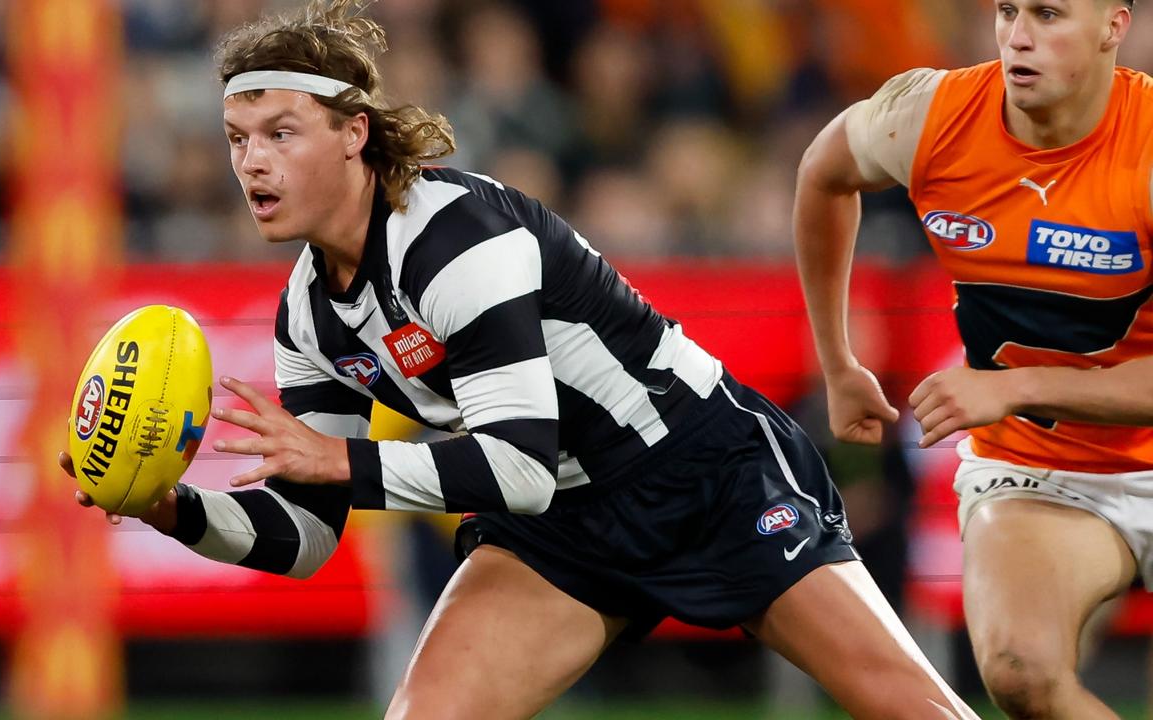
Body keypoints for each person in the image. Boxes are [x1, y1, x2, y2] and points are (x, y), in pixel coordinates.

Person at [61, 2, 976, 718]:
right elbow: (305, 540)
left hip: (703, 473)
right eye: (237, 139)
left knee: (910, 708)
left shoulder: (454, 236)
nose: (251, 164)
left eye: (280, 133)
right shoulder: (309, 314)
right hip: (564, 526)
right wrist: (170, 506)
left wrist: (340, 460)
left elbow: (520, 464)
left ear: (355, 133)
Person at [794, 0, 1153, 717]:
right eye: (1007, 10)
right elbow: (822, 174)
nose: (1018, 37)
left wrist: (1014, 386)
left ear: (1115, 25)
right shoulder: (931, 116)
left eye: (1049, 15)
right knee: (1020, 672)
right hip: (1040, 467)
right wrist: (838, 363)